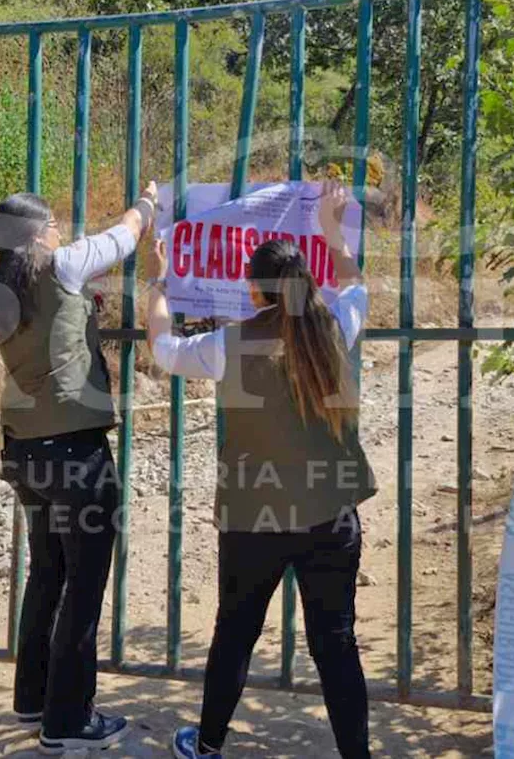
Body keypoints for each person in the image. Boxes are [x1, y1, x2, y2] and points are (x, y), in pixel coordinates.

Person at [143, 181, 376, 759]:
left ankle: (209, 744)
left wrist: (159, 279)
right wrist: (329, 224)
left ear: (252, 291)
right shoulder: (336, 326)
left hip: (254, 518)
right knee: (337, 645)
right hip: (330, 515)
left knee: (236, 632)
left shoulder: (229, 343)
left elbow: (165, 349)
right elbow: (356, 283)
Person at [0, 182, 158, 755]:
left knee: (47, 572)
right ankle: (68, 721)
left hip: (24, 451)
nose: (61, 231)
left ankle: (33, 698)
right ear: (35, 235)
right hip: (76, 452)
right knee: (83, 583)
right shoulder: (64, 267)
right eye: (52, 223)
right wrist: (148, 205)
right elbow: (122, 237)